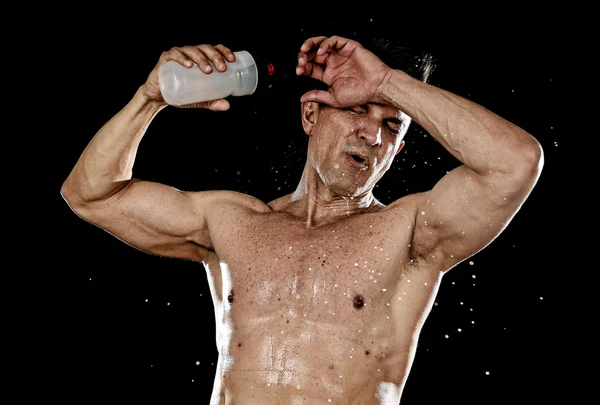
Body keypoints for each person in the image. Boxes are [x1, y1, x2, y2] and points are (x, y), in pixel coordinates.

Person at [61, 35, 544, 404]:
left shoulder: (410, 232)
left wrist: (384, 83)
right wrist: (150, 98)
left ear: (399, 148)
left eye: (392, 124)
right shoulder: (231, 220)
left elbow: (514, 161)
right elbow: (91, 193)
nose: (373, 134)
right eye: (357, 109)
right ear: (311, 114)